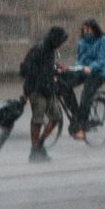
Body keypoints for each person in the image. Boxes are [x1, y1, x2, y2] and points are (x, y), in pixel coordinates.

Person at [18, 24, 69, 162]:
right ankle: (34, 149)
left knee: (56, 117)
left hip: (49, 90)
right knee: (37, 120)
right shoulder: (39, 50)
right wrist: (27, 92)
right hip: (37, 90)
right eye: (61, 41)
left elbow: (47, 68)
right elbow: (28, 70)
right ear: (56, 39)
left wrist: (56, 70)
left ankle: (39, 144)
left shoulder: (51, 50)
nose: (61, 44)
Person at [69, 18, 105, 138]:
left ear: (94, 29)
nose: (86, 32)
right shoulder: (82, 41)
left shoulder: (102, 40)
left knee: (85, 96)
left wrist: (91, 67)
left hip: (97, 73)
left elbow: (101, 60)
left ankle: (82, 127)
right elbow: (78, 58)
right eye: (84, 29)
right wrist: (78, 67)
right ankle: (76, 113)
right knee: (65, 85)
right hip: (83, 70)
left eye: (88, 29)